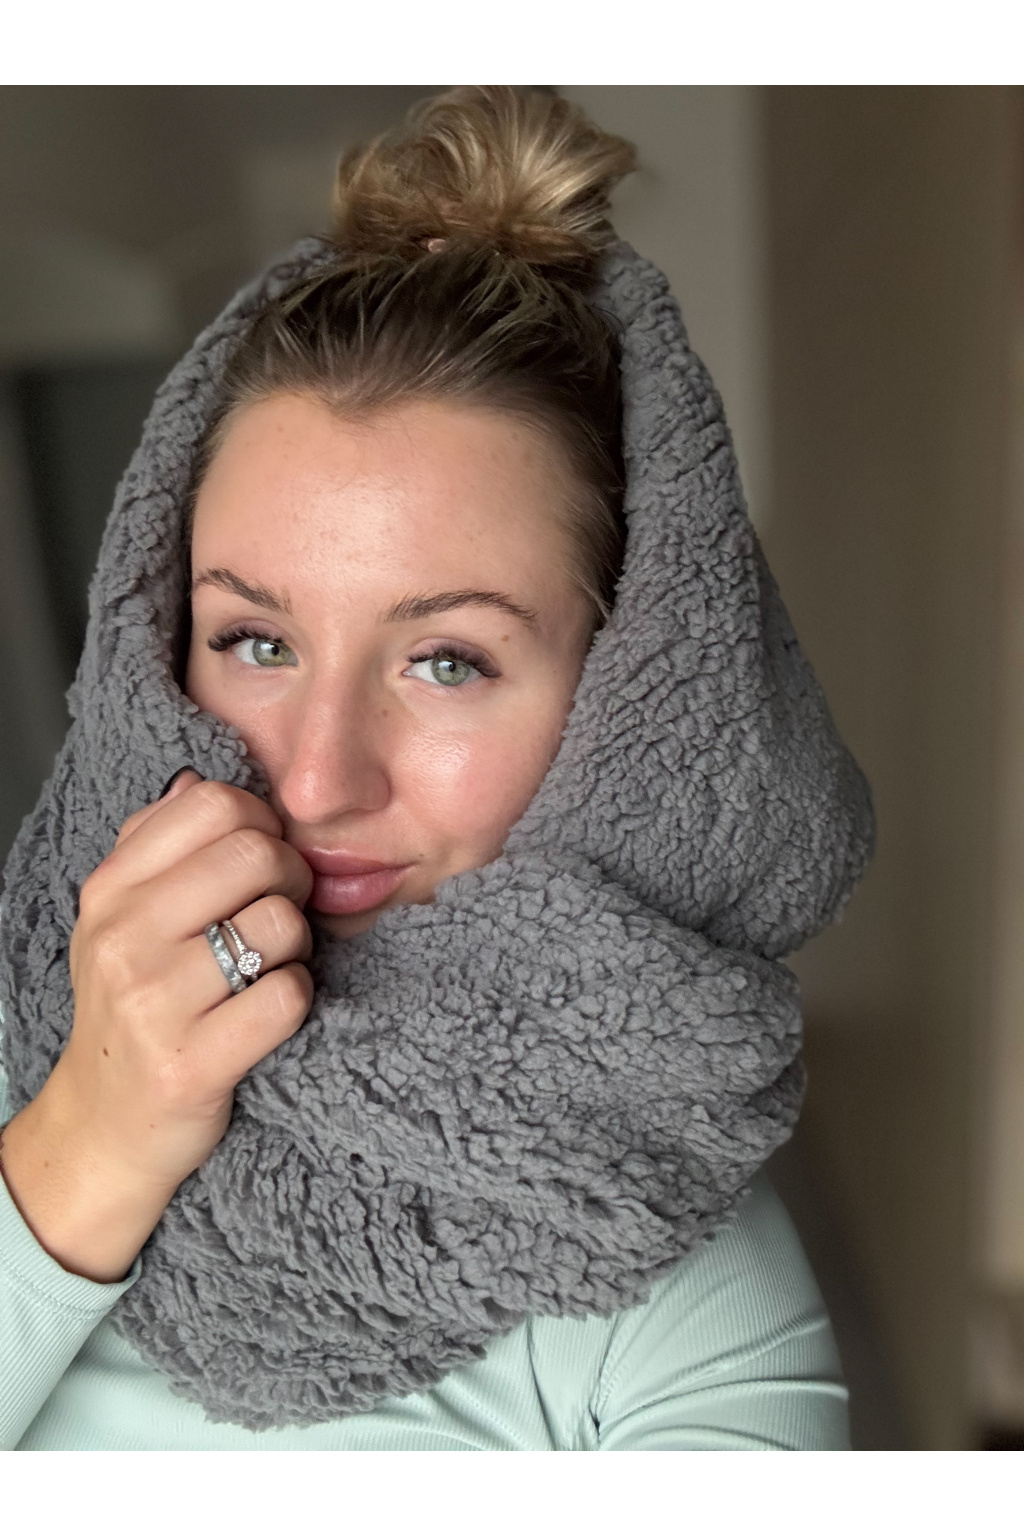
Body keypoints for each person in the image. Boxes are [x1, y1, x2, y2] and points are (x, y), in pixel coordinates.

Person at [0, 87, 873, 1450]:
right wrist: (89, 1142)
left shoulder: (684, 1301)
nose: (316, 780)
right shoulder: (27, 1041)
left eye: (447, 661)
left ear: (631, 703)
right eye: (256, 641)